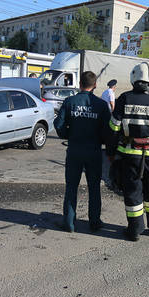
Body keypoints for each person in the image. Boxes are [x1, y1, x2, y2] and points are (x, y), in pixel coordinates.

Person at [106, 62, 149, 241]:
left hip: (130, 156)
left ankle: (135, 230)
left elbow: (113, 128)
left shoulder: (124, 98)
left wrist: (110, 152)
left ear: (134, 79)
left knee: (133, 192)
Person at [54, 71, 110, 233]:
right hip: (93, 152)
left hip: (74, 151)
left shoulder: (70, 101)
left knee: (71, 187)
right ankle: (94, 222)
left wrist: (67, 134)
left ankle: (69, 223)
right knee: (94, 187)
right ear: (95, 85)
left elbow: (58, 125)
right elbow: (108, 131)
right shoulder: (101, 105)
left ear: (80, 84)